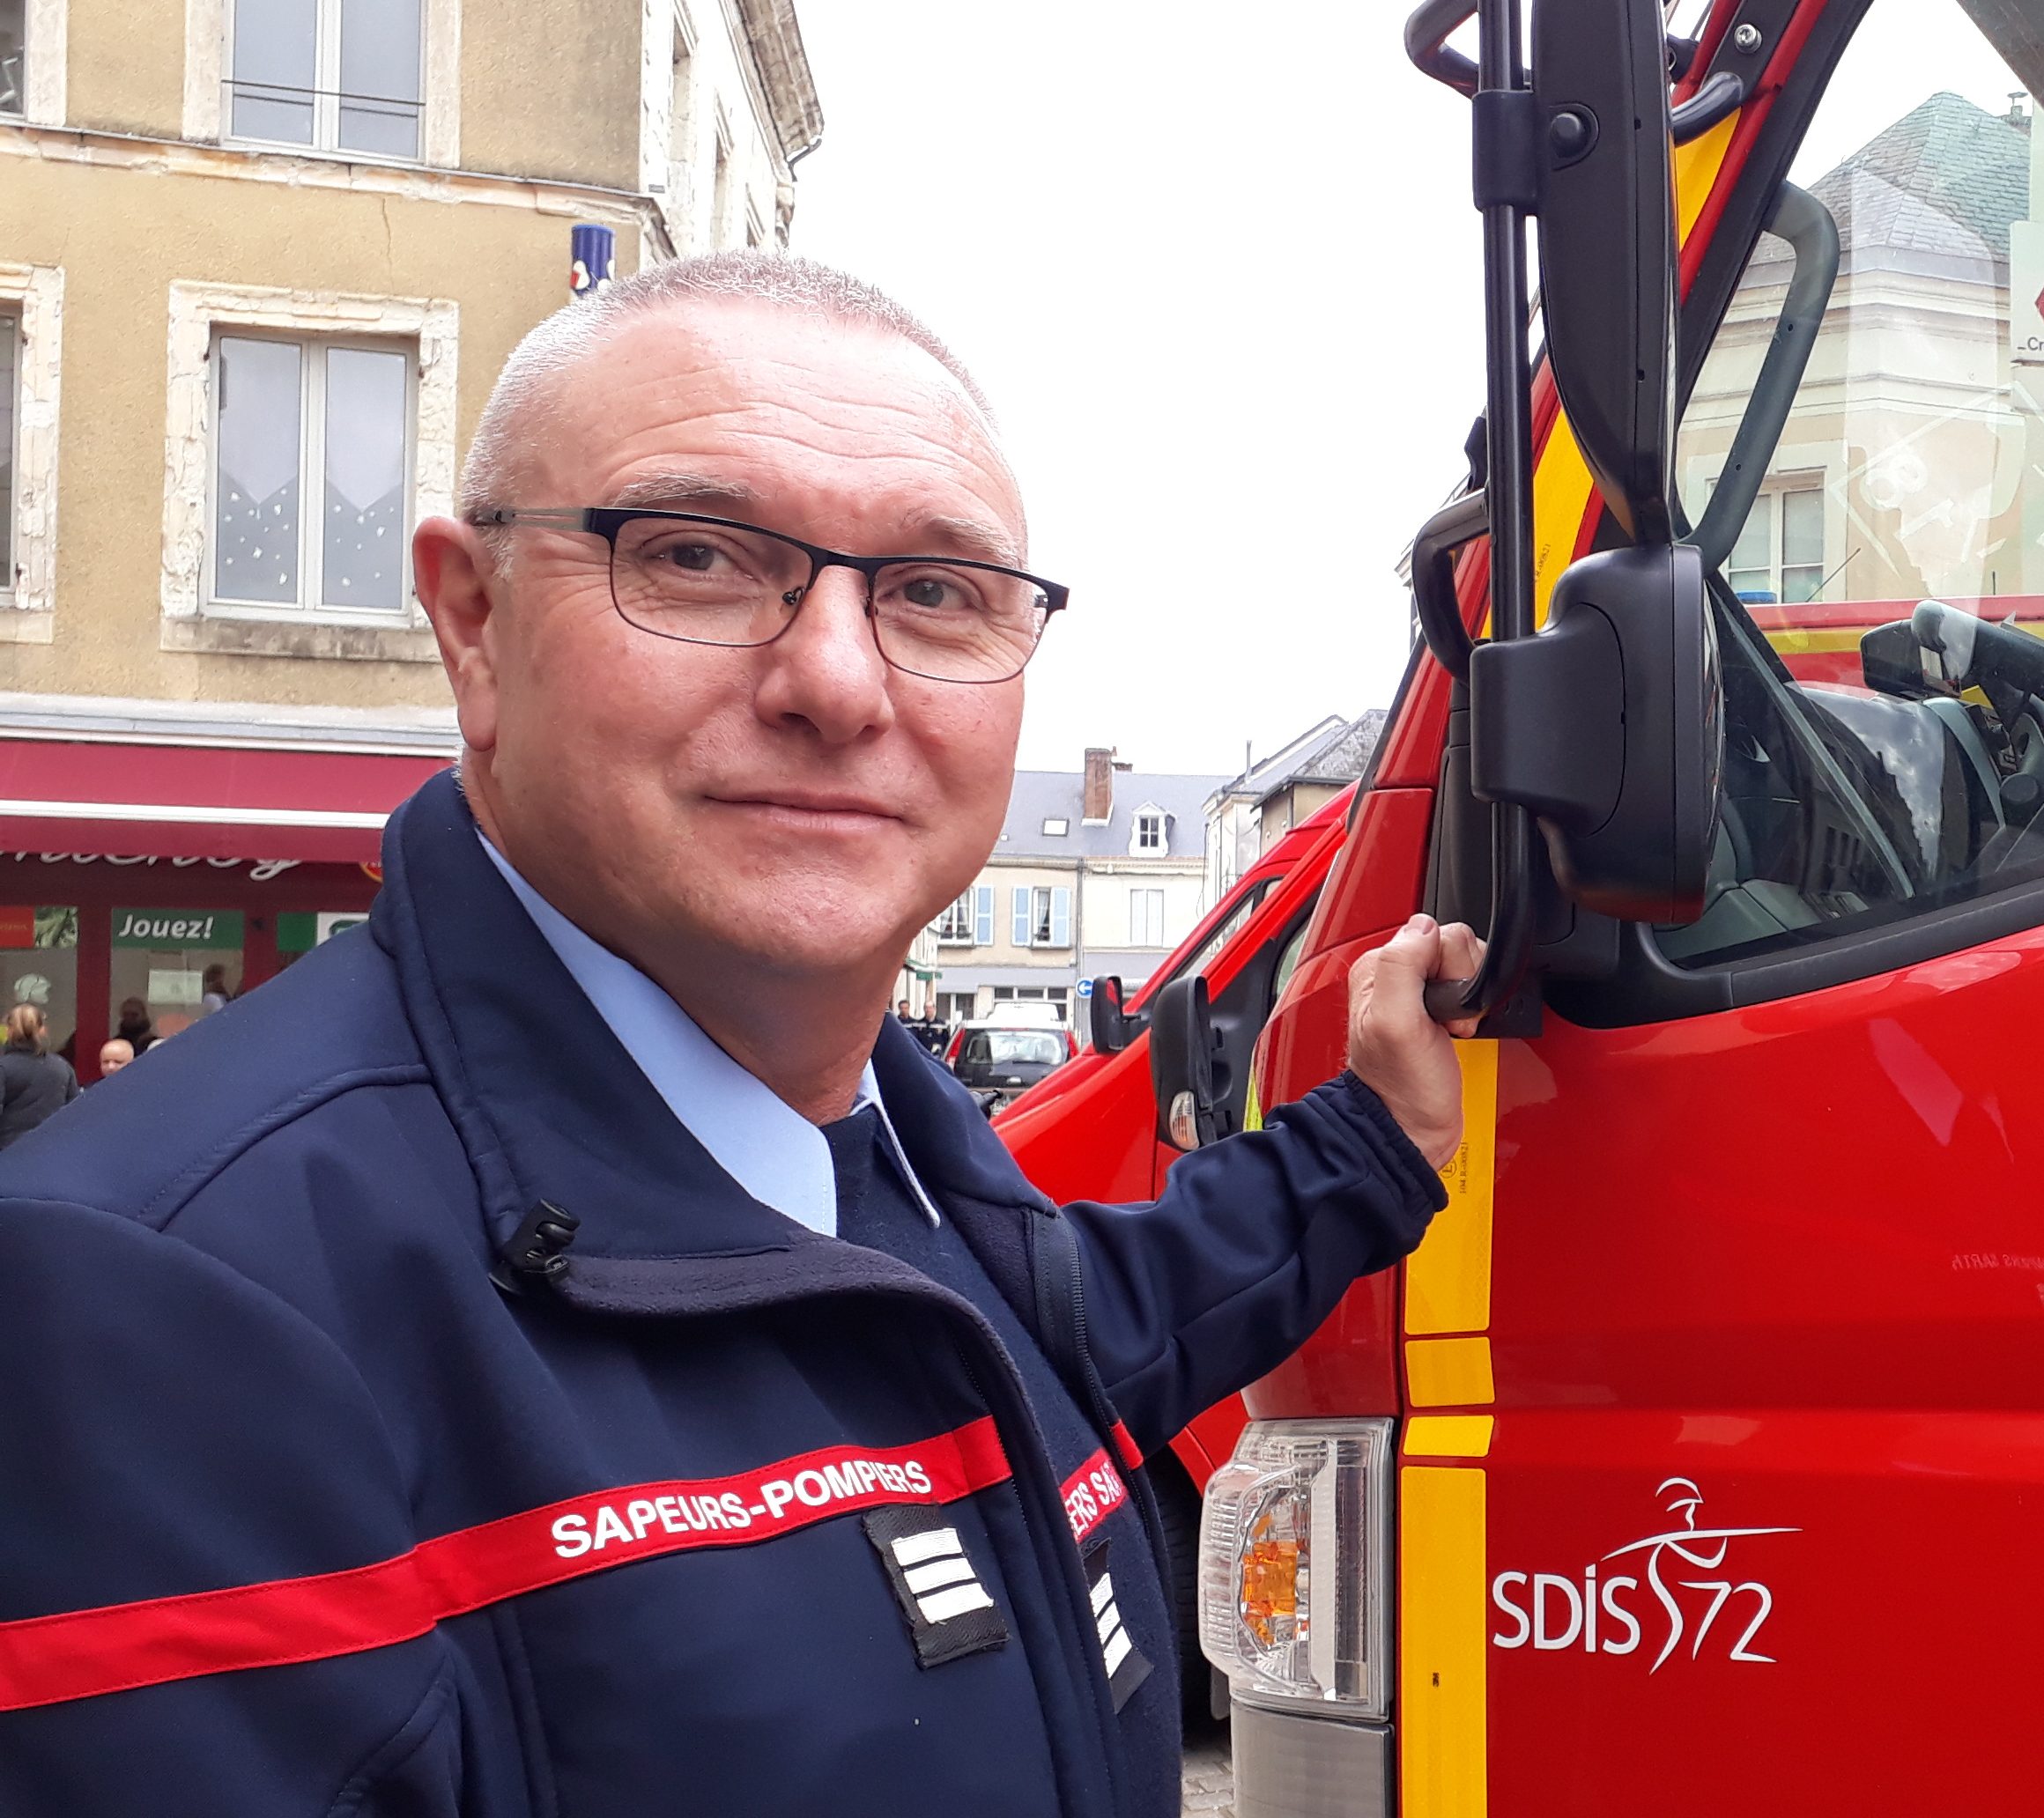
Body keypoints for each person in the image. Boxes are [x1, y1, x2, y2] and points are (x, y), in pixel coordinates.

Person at [0, 253, 1480, 1816]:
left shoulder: (891, 1156)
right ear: (473, 623)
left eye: (934, 591)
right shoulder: (159, 1307)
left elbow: (1073, 1334)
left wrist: (1376, 1137)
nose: (837, 681)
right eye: (695, 555)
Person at [0, 1002, 78, 1146]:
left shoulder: (4, 1067)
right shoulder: (62, 1066)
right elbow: (74, 1112)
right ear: (42, 1030)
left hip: (10, 1149)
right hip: (52, 1147)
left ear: (9, 1031)